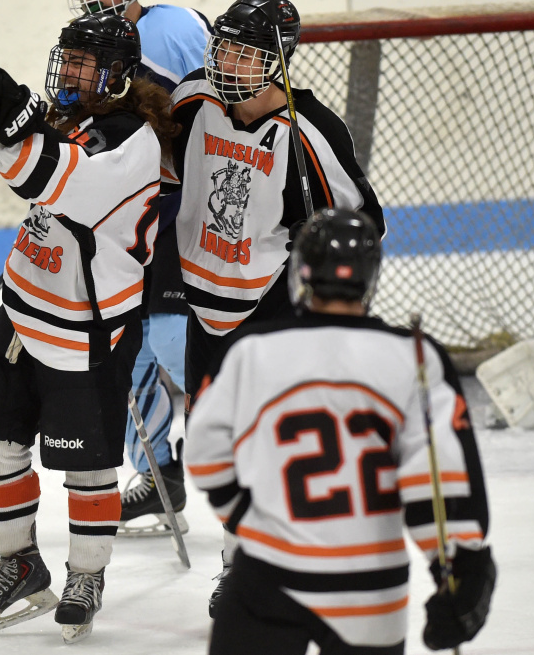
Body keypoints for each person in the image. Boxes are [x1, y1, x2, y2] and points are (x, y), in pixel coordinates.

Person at [0, 12, 179, 642]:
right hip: (24, 309)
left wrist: (17, 125)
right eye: (68, 59)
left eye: (85, 62)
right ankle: (19, 562)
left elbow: (53, 175)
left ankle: (87, 574)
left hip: (89, 326)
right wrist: (15, 122)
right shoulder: (71, 117)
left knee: (88, 463)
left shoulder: (131, 138)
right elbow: (29, 163)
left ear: (119, 72)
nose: (71, 71)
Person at [186, 208, 496, 654]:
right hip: (370, 589)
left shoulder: (249, 351)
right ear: (371, 278)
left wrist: (245, 520)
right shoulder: (414, 358)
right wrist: (460, 567)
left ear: (302, 274)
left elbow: (204, 452)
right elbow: (439, 480)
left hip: (270, 575)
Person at [171, 0, 385, 615]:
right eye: (223, 46)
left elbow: (362, 222)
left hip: (270, 306)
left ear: (278, 61)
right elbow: (134, 135)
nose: (227, 61)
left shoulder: (310, 130)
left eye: (244, 51)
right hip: (203, 303)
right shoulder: (196, 99)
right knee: (214, 441)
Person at [66, 0, 212, 534]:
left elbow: (221, 105)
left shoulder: (177, 27)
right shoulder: (79, 42)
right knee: (130, 354)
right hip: (121, 222)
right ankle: (158, 475)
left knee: (178, 346)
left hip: (180, 209)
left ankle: (253, 463)